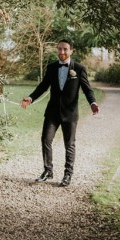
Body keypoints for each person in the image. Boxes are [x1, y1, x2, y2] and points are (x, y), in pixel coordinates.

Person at [20, 39, 99, 187]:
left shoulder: (79, 69)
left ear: (71, 51)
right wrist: (30, 98)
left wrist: (93, 103)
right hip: (52, 112)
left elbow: (87, 89)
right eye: (59, 49)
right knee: (46, 140)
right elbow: (43, 86)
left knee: (69, 144)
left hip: (70, 113)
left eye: (65, 49)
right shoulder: (51, 67)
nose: (62, 52)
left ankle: (68, 174)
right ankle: (48, 171)